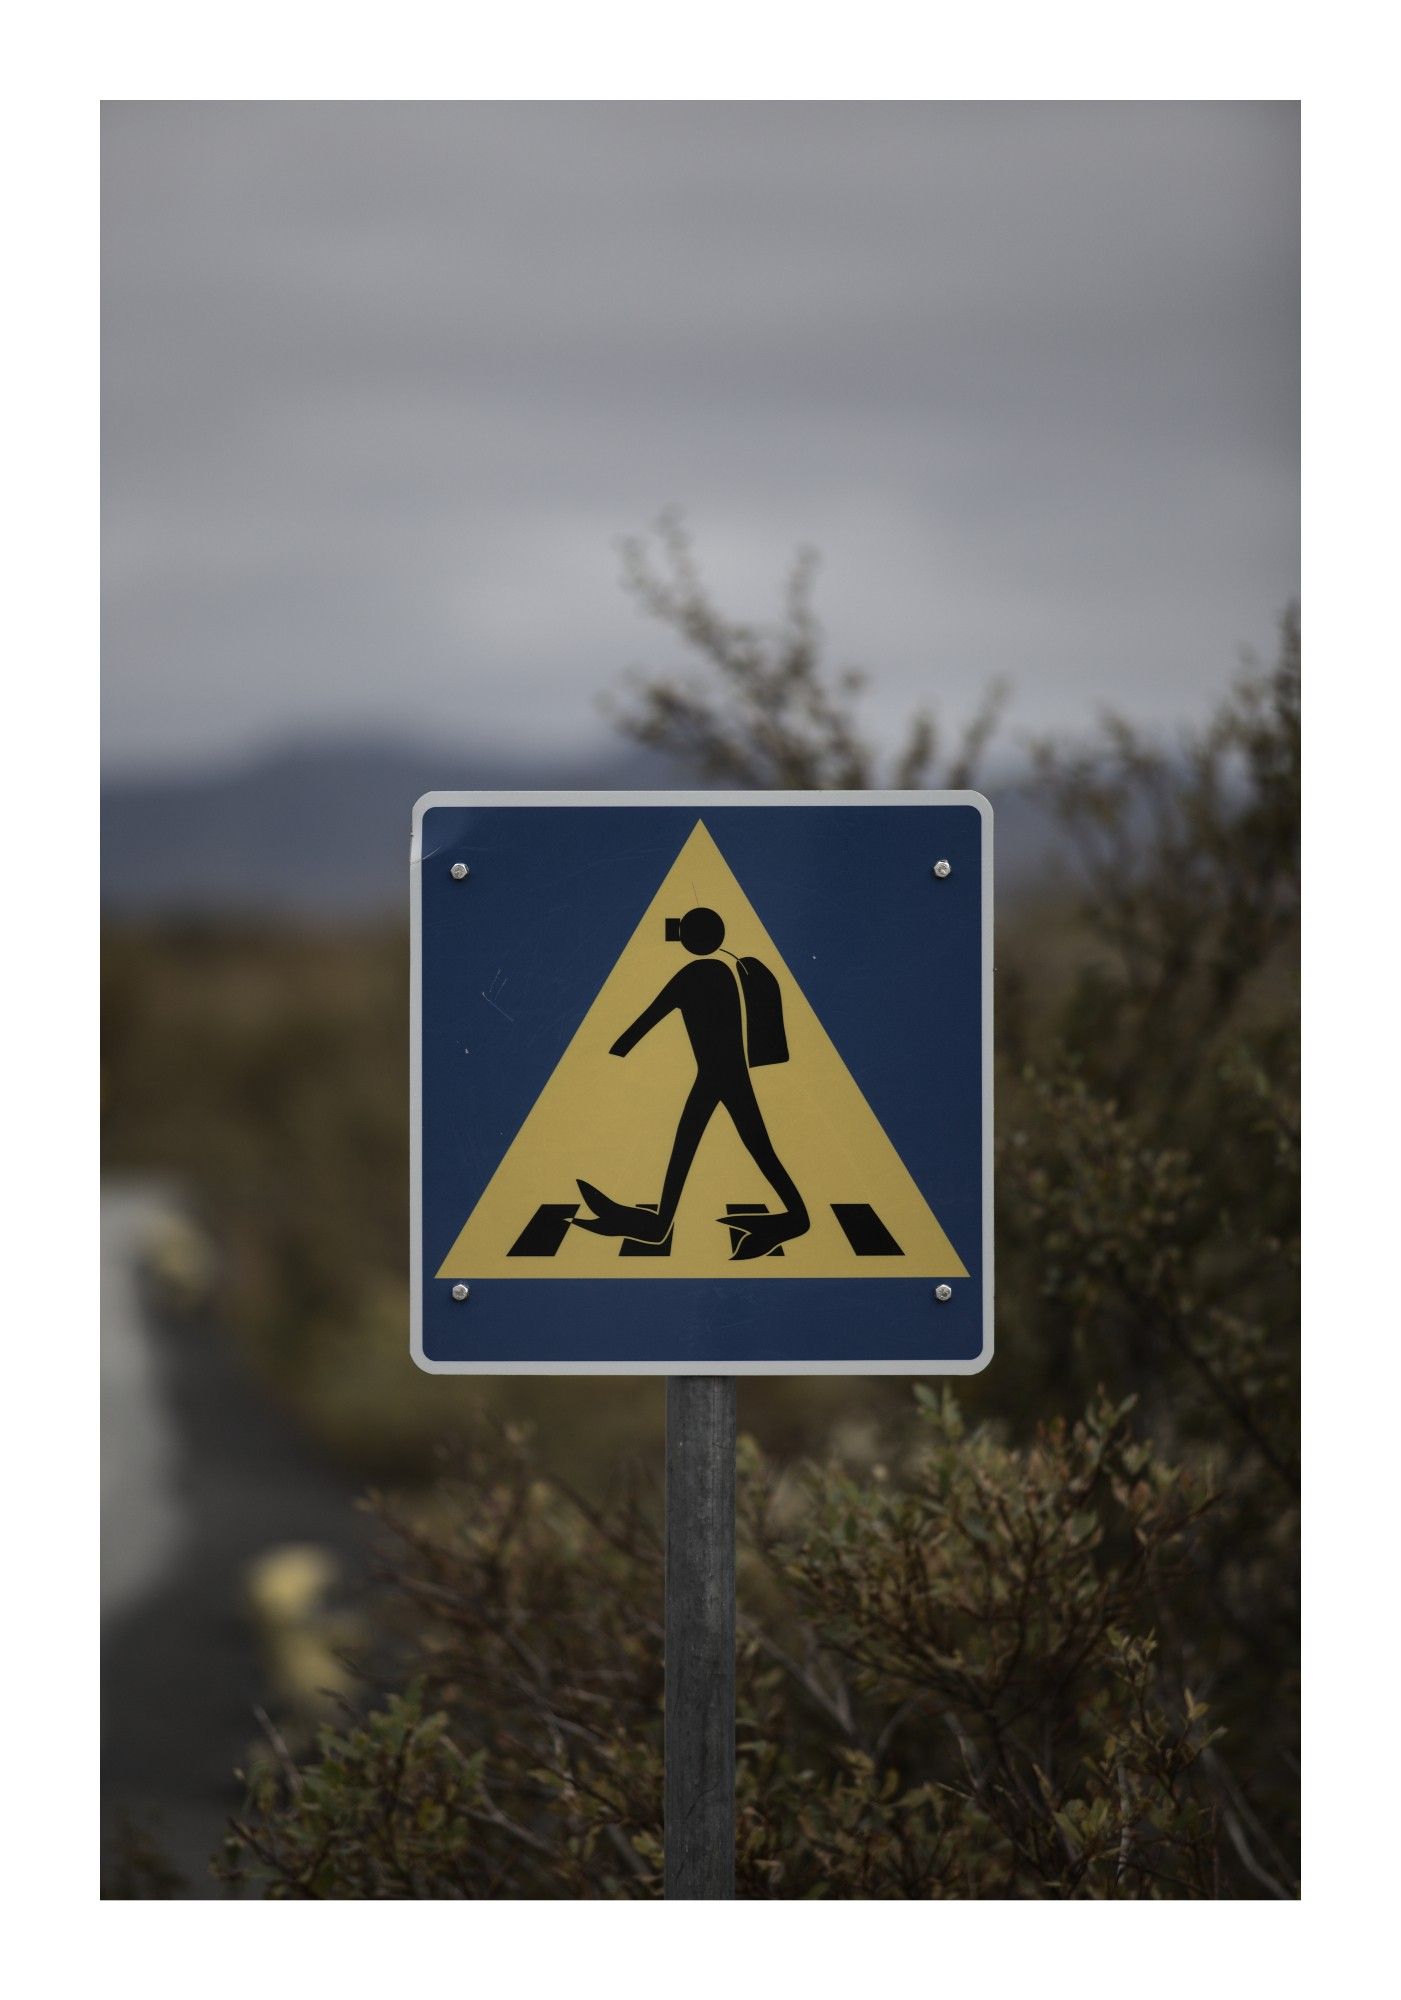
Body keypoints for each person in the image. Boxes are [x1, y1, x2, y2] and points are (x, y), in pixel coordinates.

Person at [574, 906, 810, 1260]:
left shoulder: (694, 974)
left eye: (682, 930)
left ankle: (795, 1219)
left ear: (691, 938)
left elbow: (647, 1019)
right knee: (742, 1145)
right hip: (726, 1076)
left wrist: (607, 1057)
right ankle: (663, 1223)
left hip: (719, 1077)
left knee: (716, 1145)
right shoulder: (732, 970)